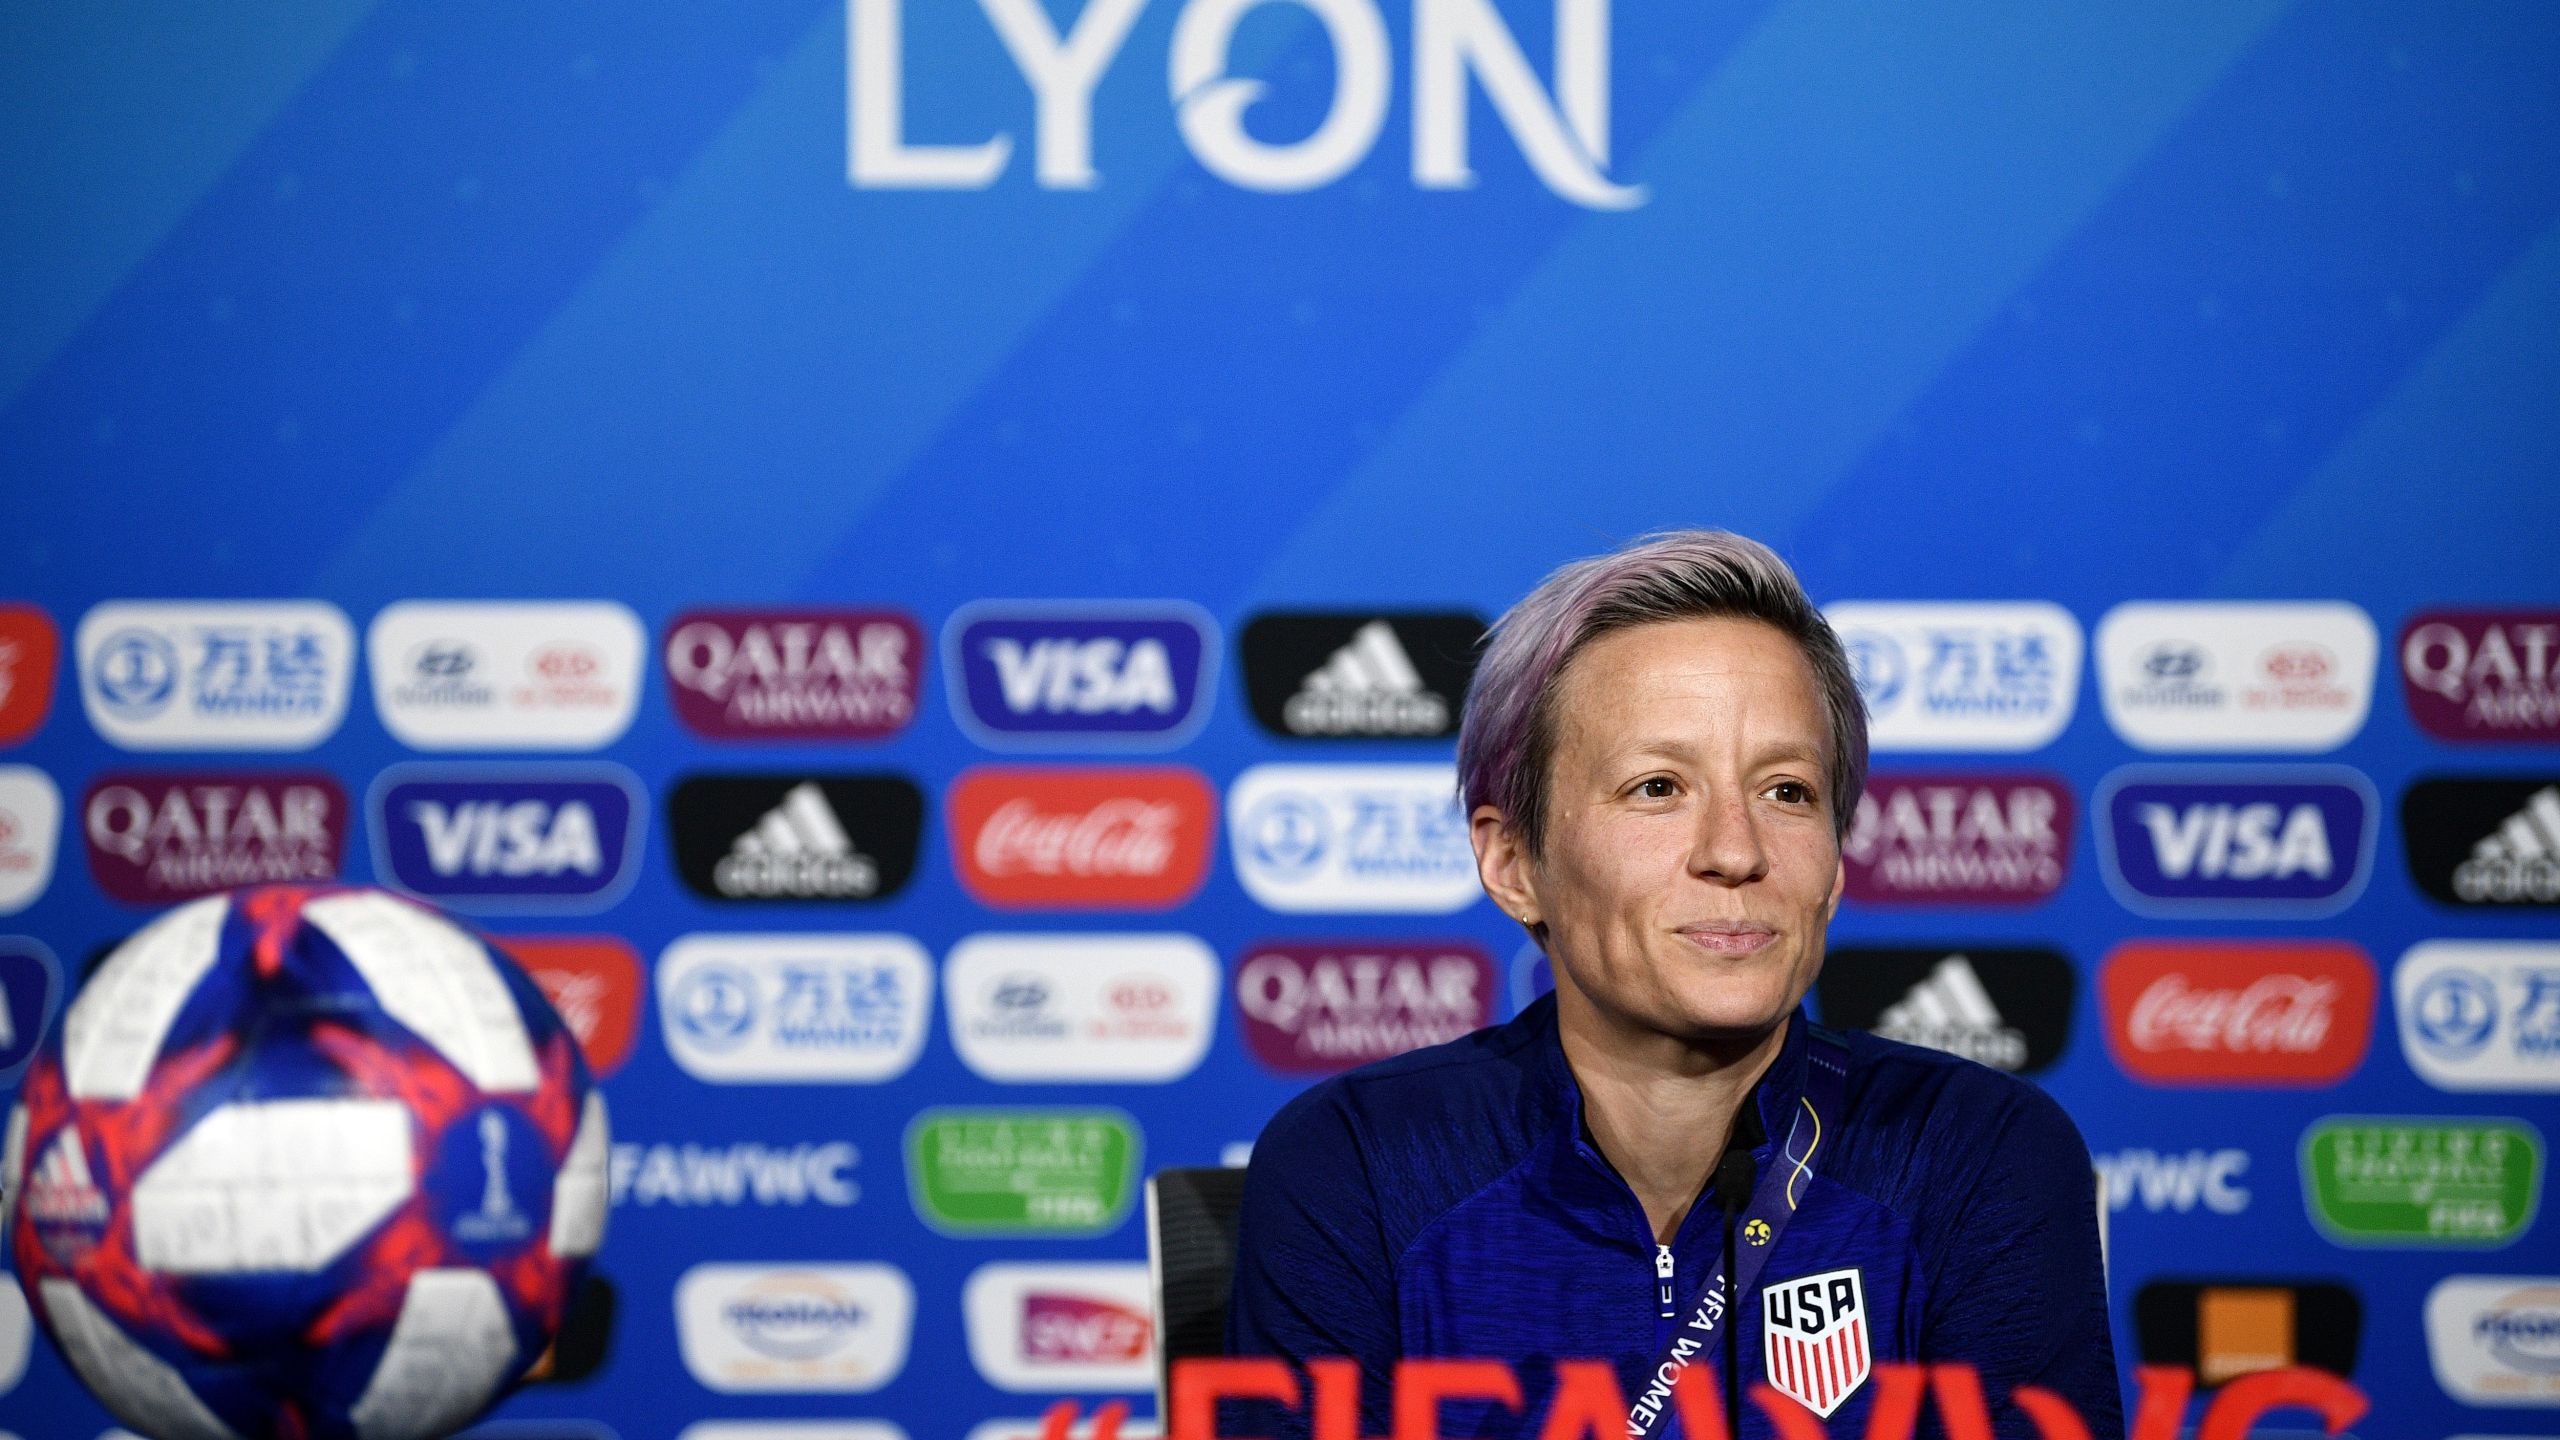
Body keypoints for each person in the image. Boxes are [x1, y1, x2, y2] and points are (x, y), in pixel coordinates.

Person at [1227, 530, 2122, 1439]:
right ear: (1513, 862)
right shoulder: (1362, 1166)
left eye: (1788, 792)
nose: (1736, 851)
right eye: (1658, 788)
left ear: (1837, 862)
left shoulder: (1976, 1153)